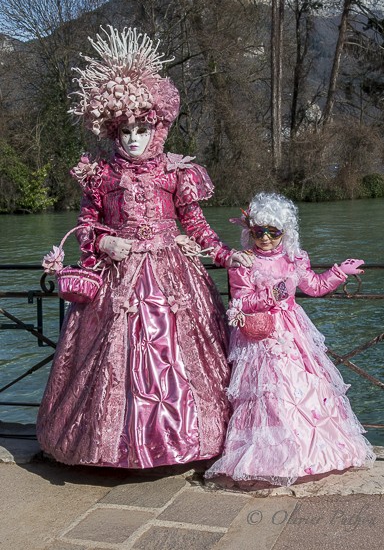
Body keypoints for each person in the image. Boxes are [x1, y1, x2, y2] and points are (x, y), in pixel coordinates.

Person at [36, 26, 252, 469]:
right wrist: (102, 239)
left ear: (158, 126)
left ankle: (185, 440)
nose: (133, 138)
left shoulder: (177, 173)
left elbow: (197, 227)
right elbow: (85, 228)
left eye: (142, 128)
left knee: (177, 357)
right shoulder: (100, 174)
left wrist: (228, 255)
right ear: (114, 130)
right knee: (115, 365)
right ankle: (111, 446)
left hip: (173, 274)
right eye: (126, 129)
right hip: (117, 281)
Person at [205, 192, 375, 487]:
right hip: (259, 338)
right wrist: (276, 294)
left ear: (285, 231)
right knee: (270, 394)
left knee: (301, 388)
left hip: (294, 334)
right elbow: (241, 302)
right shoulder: (243, 262)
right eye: (260, 231)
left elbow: (314, 286)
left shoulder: (294, 258)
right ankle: (271, 458)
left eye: (273, 231)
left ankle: (309, 454)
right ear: (251, 231)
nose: (266, 238)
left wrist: (338, 272)